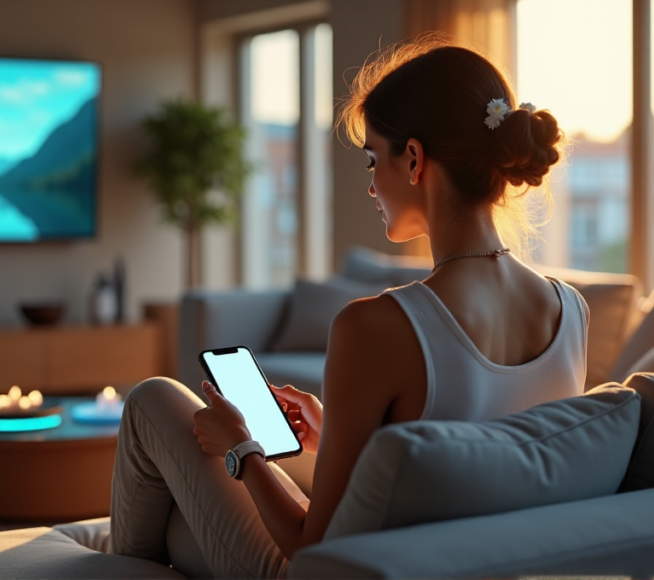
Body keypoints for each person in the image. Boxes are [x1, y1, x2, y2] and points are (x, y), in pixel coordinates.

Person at [109, 36, 589, 578]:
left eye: (371, 160)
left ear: (413, 159)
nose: (370, 187)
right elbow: (470, 457)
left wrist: (243, 448)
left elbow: (310, 545)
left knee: (152, 399)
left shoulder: (377, 324)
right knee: (177, 524)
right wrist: (333, 431)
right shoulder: (570, 311)